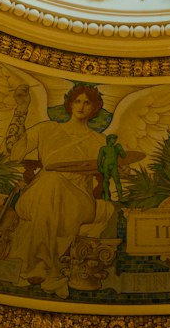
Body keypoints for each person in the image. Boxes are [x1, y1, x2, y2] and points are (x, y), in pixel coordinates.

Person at [11, 84, 116, 296]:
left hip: (78, 202)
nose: (82, 106)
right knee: (51, 181)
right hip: (37, 194)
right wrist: (21, 110)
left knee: (53, 182)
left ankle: (39, 267)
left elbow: (119, 172)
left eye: (87, 102)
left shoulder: (101, 142)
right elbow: (14, 152)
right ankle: (51, 271)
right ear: (69, 103)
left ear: (95, 108)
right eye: (77, 101)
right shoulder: (47, 129)